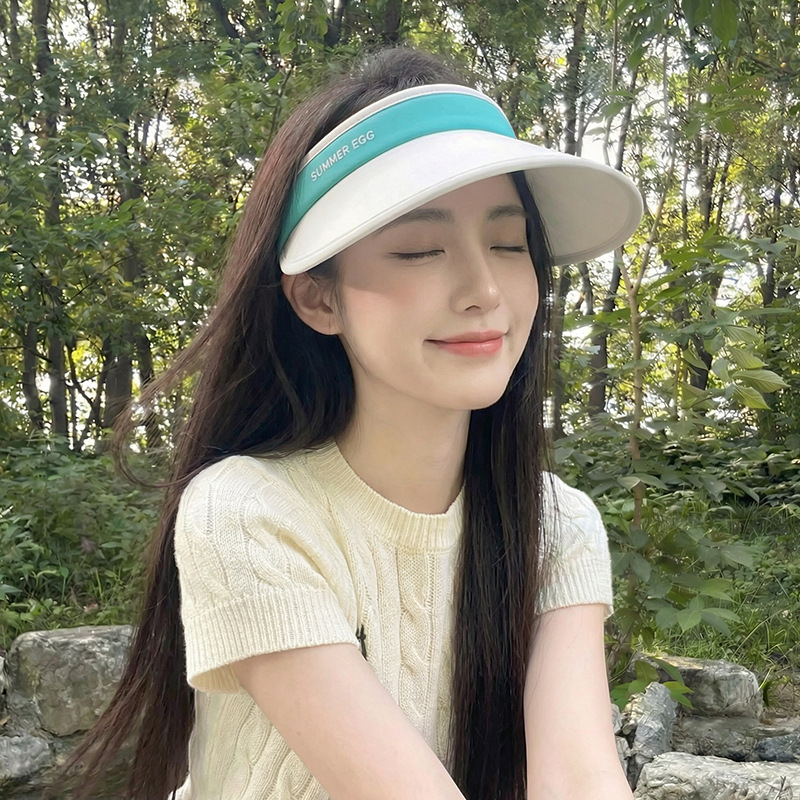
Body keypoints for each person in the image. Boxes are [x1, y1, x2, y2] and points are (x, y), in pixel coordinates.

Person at [50, 45, 643, 800]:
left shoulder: (556, 524)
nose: (485, 289)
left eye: (508, 243)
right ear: (317, 298)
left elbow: (582, 778)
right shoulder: (249, 515)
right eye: (419, 249)